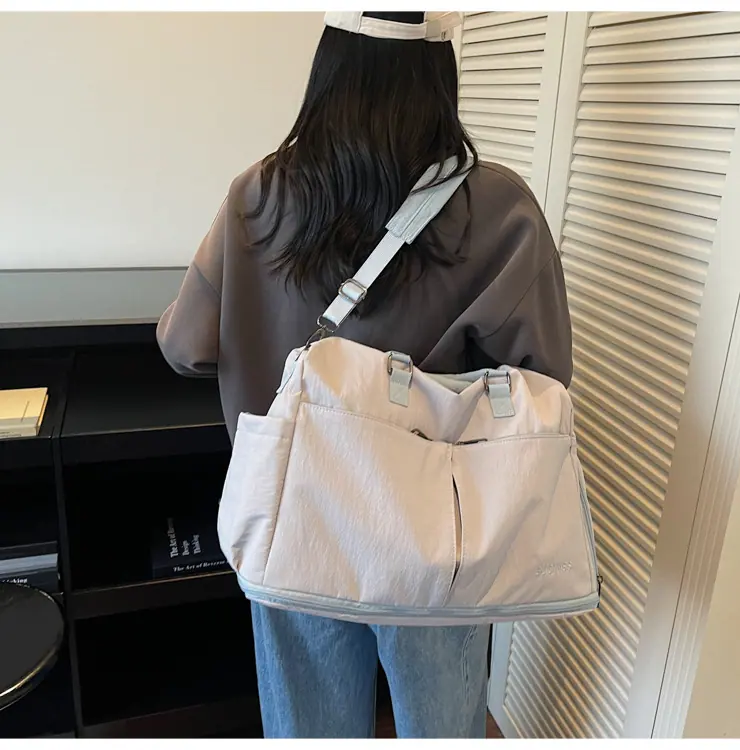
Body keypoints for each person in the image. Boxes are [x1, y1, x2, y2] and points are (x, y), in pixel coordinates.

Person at [157, 10, 573, 739]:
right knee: (443, 727)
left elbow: (184, 346)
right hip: (438, 535)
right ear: (439, 77)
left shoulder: (257, 196)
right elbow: (544, 379)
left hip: (297, 512)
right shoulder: (499, 208)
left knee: (309, 728)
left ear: (328, 72)